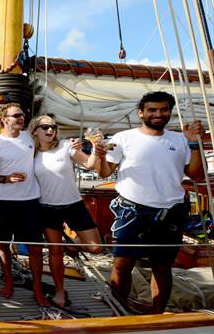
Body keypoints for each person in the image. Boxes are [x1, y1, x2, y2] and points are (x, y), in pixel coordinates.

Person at [96, 91, 205, 313]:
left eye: (163, 109)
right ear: (141, 113)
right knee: (121, 264)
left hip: (170, 213)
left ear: (170, 112)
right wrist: (99, 157)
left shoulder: (180, 140)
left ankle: (157, 314)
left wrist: (194, 143)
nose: (158, 114)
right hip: (132, 212)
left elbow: (196, 175)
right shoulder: (122, 139)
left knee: (162, 268)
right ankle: (118, 312)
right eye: (152, 110)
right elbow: (105, 172)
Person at [31, 114, 103, 308]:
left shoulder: (66, 146)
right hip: (46, 208)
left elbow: (90, 164)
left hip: (73, 205)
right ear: (35, 131)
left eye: (53, 127)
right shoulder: (30, 154)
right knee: (55, 250)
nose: (50, 130)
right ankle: (59, 290)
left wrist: (95, 146)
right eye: (44, 127)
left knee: (96, 248)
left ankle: (72, 246)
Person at [0, 103, 45, 305]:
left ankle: (37, 288)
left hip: (30, 201)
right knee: (3, 244)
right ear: (4, 119)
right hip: (4, 202)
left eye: (23, 114)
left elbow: (51, 140)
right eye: (16, 115)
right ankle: (9, 281)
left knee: (35, 248)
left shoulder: (31, 137)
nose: (22, 117)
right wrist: (5, 179)